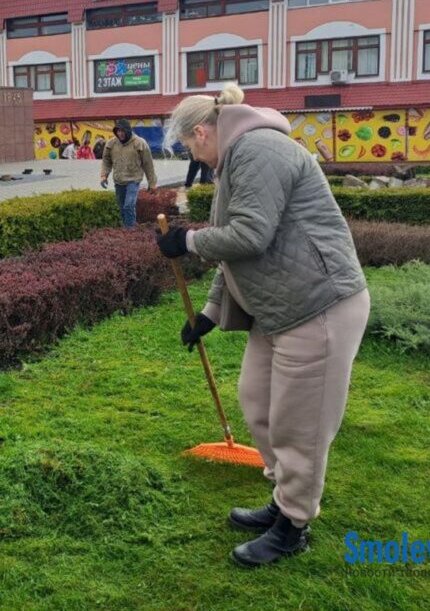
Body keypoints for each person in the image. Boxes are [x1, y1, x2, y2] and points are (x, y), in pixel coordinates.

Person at [154, 84, 369, 567]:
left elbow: (249, 236)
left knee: (301, 425)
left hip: (318, 303)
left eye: (189, 146)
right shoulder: (236, 158)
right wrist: (209, 314)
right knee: (258, 403)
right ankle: (282, 498)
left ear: (202, 131)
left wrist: (187, 242)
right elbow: (235, 257)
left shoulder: (259, 148)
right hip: (277, 308)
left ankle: (293, 525)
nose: (194, 156)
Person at [100, 118, 157, 228]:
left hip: (133, 180)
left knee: (128, 206)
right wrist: (104, 175)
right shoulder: (111, 144)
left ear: (128, 130)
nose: (120, 133)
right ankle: (126, 229)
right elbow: (106, 161)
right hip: (119, 180)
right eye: (118, 131)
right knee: (122, 208)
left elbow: (148, 164)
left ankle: (130, 231)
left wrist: (152, 183)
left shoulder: (139, 143)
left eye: (122, 131)